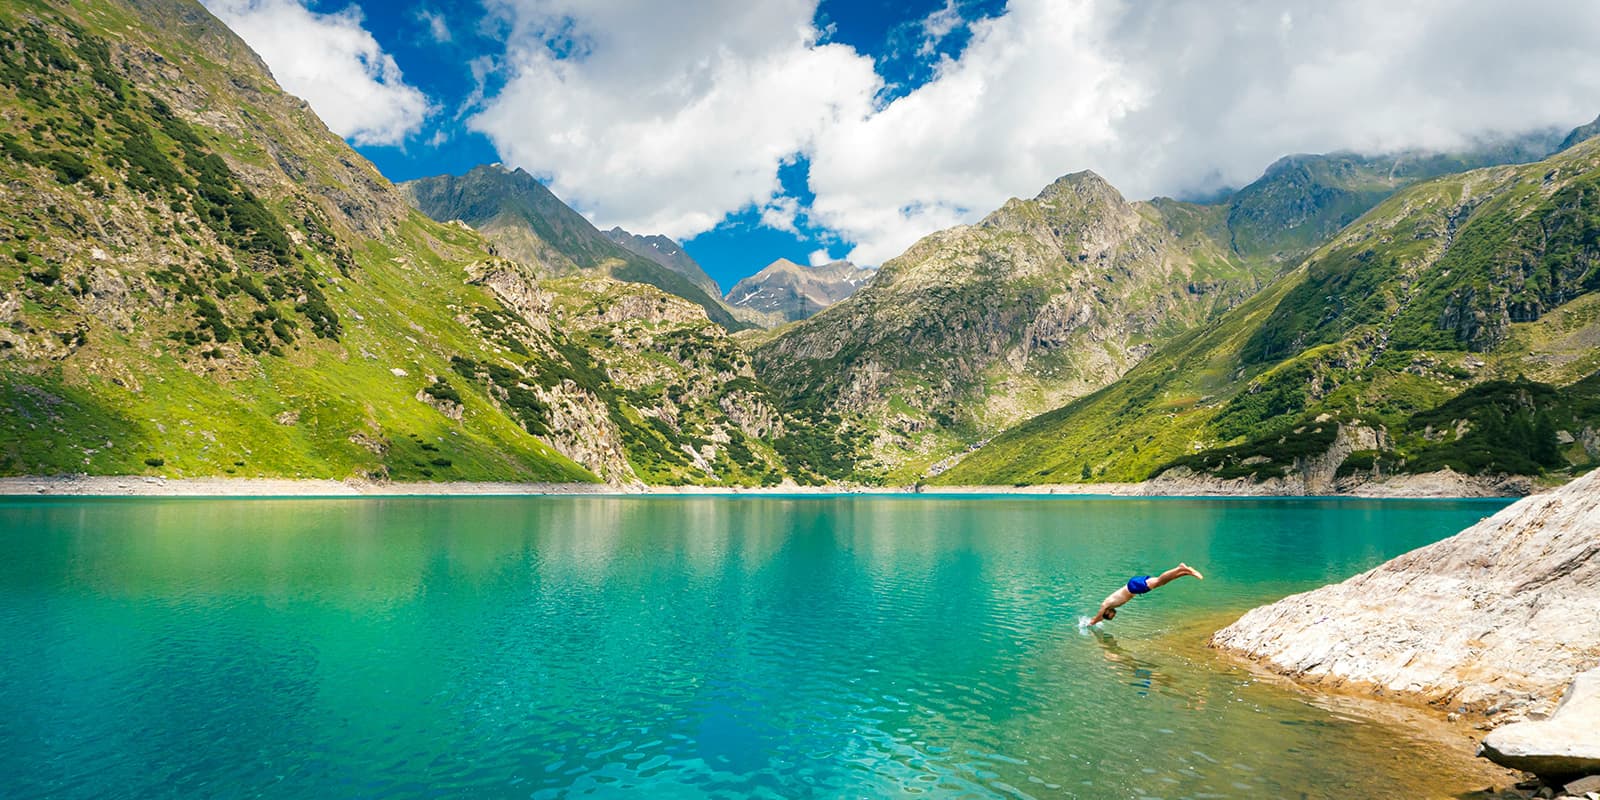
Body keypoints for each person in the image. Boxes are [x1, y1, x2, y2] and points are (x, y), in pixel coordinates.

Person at [1089, 563, 1203, 624]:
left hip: (1134, 587)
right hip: (1134, 586)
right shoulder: (1110, 605)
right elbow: (1101, 616)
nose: (1113, 616)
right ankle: (1186, 572)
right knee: (1161, 583)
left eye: (1110, 617)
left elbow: (1099, 613)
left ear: (1107, 612)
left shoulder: (1106, 604)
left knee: (1159, 580)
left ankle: (1180, 568)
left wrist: (1093, 621)